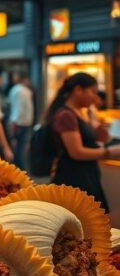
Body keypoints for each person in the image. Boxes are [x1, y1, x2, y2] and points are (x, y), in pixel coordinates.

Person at [45, 73, 116, 211]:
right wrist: (110, 152)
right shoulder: (66, 115)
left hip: (85, 175)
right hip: (74, 178)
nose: (95, 97)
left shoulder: (81, 112)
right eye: (92, 92)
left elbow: (97, 139)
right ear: (78, 90)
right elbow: (77, 152)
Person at [8, 72, 34, 172]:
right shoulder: (27, 91)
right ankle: (23, 173)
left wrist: (12, 125)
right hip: (26, 123)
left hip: (18, 124)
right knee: (22, 150)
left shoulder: (17, 90)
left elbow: (17, 110)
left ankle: (19, 174)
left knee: (18, 151)